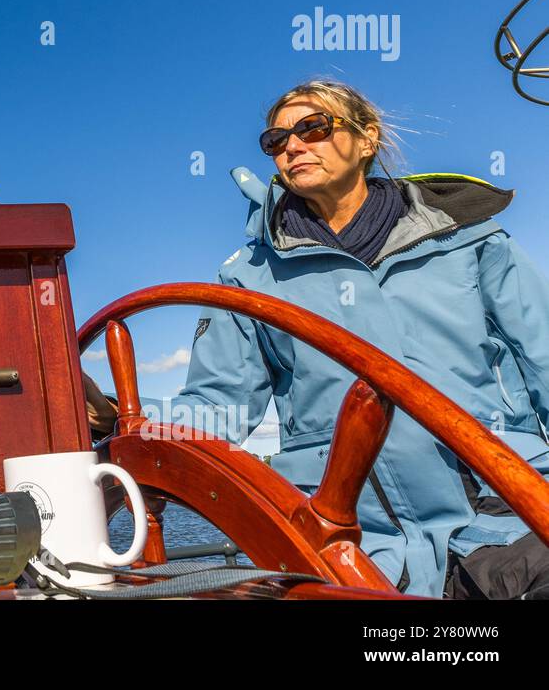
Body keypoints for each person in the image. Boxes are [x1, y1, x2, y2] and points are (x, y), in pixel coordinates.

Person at [98, 79, 549, 598]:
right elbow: (217, 405)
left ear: (366, 139)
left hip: (500, 514)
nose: (292, 145)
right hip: (348, 539)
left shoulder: (469, 243)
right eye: (275, 140)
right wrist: (123, 422)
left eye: (312, 127)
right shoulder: (249, 279)